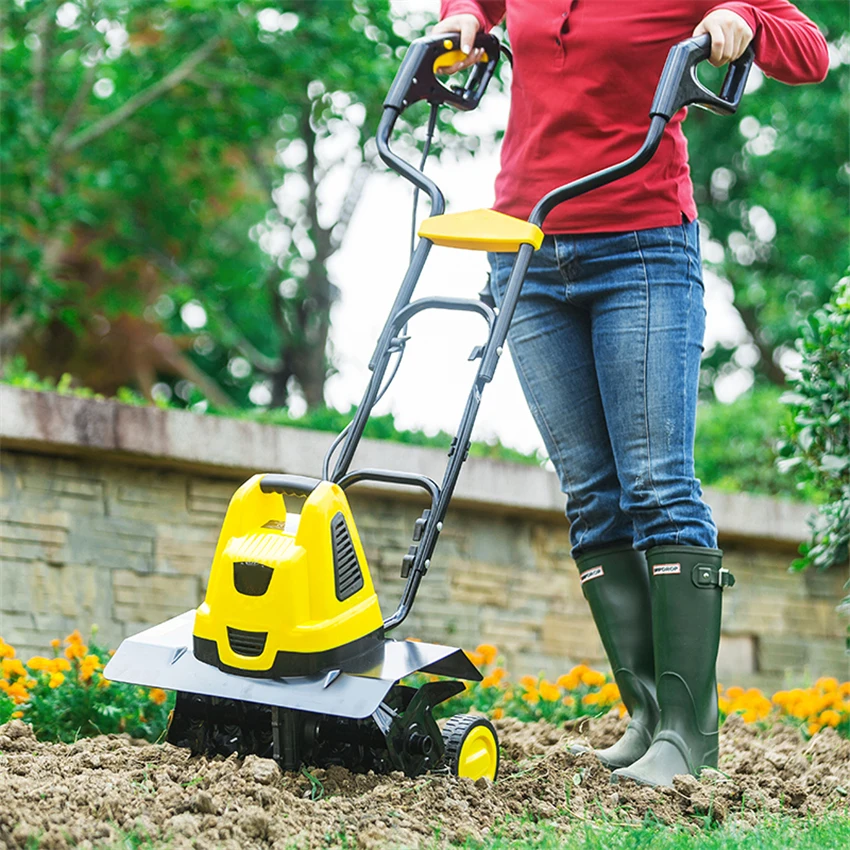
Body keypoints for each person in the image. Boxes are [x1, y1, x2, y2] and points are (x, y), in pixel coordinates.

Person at [432, 1, 828, 787]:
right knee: (591, 491)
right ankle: (648, 715)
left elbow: (809, 50)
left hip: (642, 249)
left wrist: (739, 17)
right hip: (526, 249)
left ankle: (689, 734)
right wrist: (463, 19)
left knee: (656, 483)